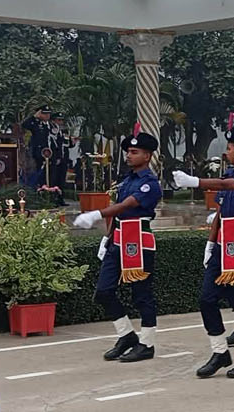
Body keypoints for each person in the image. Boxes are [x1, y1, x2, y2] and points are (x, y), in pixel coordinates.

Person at [171, 126, 234, 379]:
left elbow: (229, 185)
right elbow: (221, 213)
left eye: (229, 148)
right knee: (207, 298)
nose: (227, 153)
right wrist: (211, 243)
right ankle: (220, 351)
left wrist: (196, 182)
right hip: (225, 246)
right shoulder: (229, 175)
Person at [72, 132, 163, 363]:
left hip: (139, 241)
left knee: (141, 295)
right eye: (128, 152)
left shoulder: (149, 183)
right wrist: (108, 236)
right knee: (103, 291)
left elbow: (126, 205)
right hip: (118, 239)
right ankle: (126, 335)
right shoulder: (127, 179)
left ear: (147, 155)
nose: (128, 155)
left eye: (134, 152)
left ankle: (147, 343)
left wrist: (95, 214)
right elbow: (116, 207)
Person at [21, 106, 55, 187]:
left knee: (48, 176)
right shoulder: (35, 123)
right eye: (44, 114)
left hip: (48, 154)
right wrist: (34, 117)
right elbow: (24, 125)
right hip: (37, 154)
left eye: (48, 114)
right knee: (36, 175)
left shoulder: (49, 125)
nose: (47, 116)